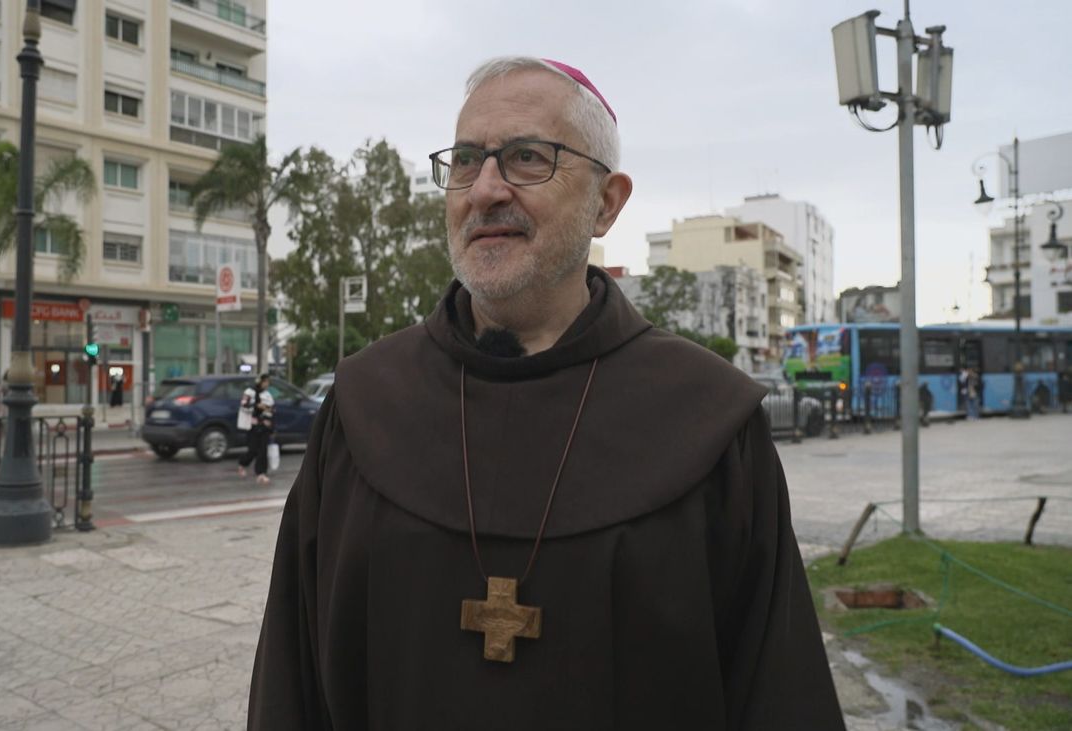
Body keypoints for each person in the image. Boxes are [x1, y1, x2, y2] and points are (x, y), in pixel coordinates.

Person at [248, 57, 844, 729]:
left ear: (606, 203)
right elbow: (290, 680)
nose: (486, 190)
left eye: (527, 157)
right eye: (468, 160)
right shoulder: (364, 405)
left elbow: (776, 691)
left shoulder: (710, 422)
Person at [238, 373, 274, 482]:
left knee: (263, 450)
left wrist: (267, 414)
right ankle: (242, 463)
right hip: (252, 426)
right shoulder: (249, 392)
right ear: (260, 382)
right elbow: (244, 405)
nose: (267, 384)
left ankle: (261, 473)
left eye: (268, 382)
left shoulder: (267, 395)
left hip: (264, 426)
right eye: (265, 382)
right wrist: (256, 406)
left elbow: (272, 409)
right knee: (253, 449)